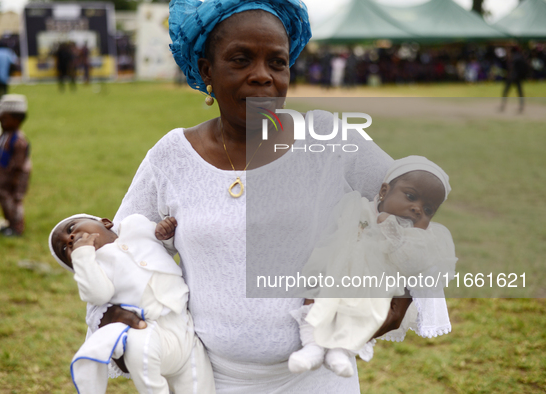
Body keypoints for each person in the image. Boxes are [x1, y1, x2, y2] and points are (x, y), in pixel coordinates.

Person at [83, 1, 451, 392]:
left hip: (317, 377)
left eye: (277, 62)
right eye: (241, 60)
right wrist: (112, 316)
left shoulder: (330, 140)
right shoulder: (172, 155)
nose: (262, 76)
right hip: (204, 377)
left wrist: (404, 298)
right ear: (206, 69)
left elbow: (417, 204)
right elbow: (118, 249)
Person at [288, 156, 457, 378]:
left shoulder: (417, 238)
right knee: (317, 299)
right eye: (411, 197)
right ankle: (312, 346)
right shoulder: (357, 207)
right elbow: (335, 229)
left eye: (428, 209)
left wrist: (394, 232)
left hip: (374, 287)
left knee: (364, 314)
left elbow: (414, 264)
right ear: (384, 192)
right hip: (339, 271)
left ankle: (340, 351)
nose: (417, 209)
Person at [49, 214, 215, 394]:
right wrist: (83, 257)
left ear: (105, 222)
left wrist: (165, 235)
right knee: (138, 348)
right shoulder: (96, 269)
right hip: (151, 331)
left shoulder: (136, 225)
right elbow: (98, 295)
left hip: (185, 327)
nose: (71, 239)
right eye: (65, 248)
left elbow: (163, 248)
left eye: (71, 229)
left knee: (199, 385)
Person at [0, 94, 31, 236]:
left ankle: (17, 228)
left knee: (14, 204)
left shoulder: (18, 140)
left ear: (16, 120)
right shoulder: (5, 134)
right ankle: (8, 223)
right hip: (2, 179)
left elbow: (19, 165)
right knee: (4, 202)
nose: (0, 121)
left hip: (13, 180)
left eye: (4, 118)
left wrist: (15, 180)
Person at [500, 46, 527, 113]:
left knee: (506, 90)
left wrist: (509, 74)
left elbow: (512, 67)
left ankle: (503, 105)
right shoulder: (520, 56)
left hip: (512, 76)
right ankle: (521, 106)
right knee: (519, 92)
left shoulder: (514, 57)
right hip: (518, 77)